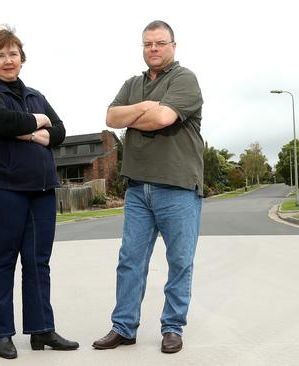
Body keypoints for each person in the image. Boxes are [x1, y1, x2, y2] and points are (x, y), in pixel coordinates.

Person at [92, 20, 204, 354]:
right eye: (147, 44)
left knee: (179, 261)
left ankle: (172, 328)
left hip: (178, 186)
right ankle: (123, 327)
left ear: (173, 45)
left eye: (159, 42)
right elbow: (111, 118)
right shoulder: (132, 84)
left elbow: (163, 119)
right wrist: (143, 107)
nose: (152, 49)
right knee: (130, 260)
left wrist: (136, 117)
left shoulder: (185, 79)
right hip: (138, 189)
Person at [0, 26, 78, 360]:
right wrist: (38, 123)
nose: (7, 60)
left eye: (12, 53)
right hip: (0, 187)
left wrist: (38, 130)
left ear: (21, 58)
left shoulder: (35, 95)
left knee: (37, 262)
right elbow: (2, 121)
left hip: (41, 190)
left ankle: (42, 329)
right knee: (3, 260)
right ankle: (2, 333)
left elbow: (59, 131)